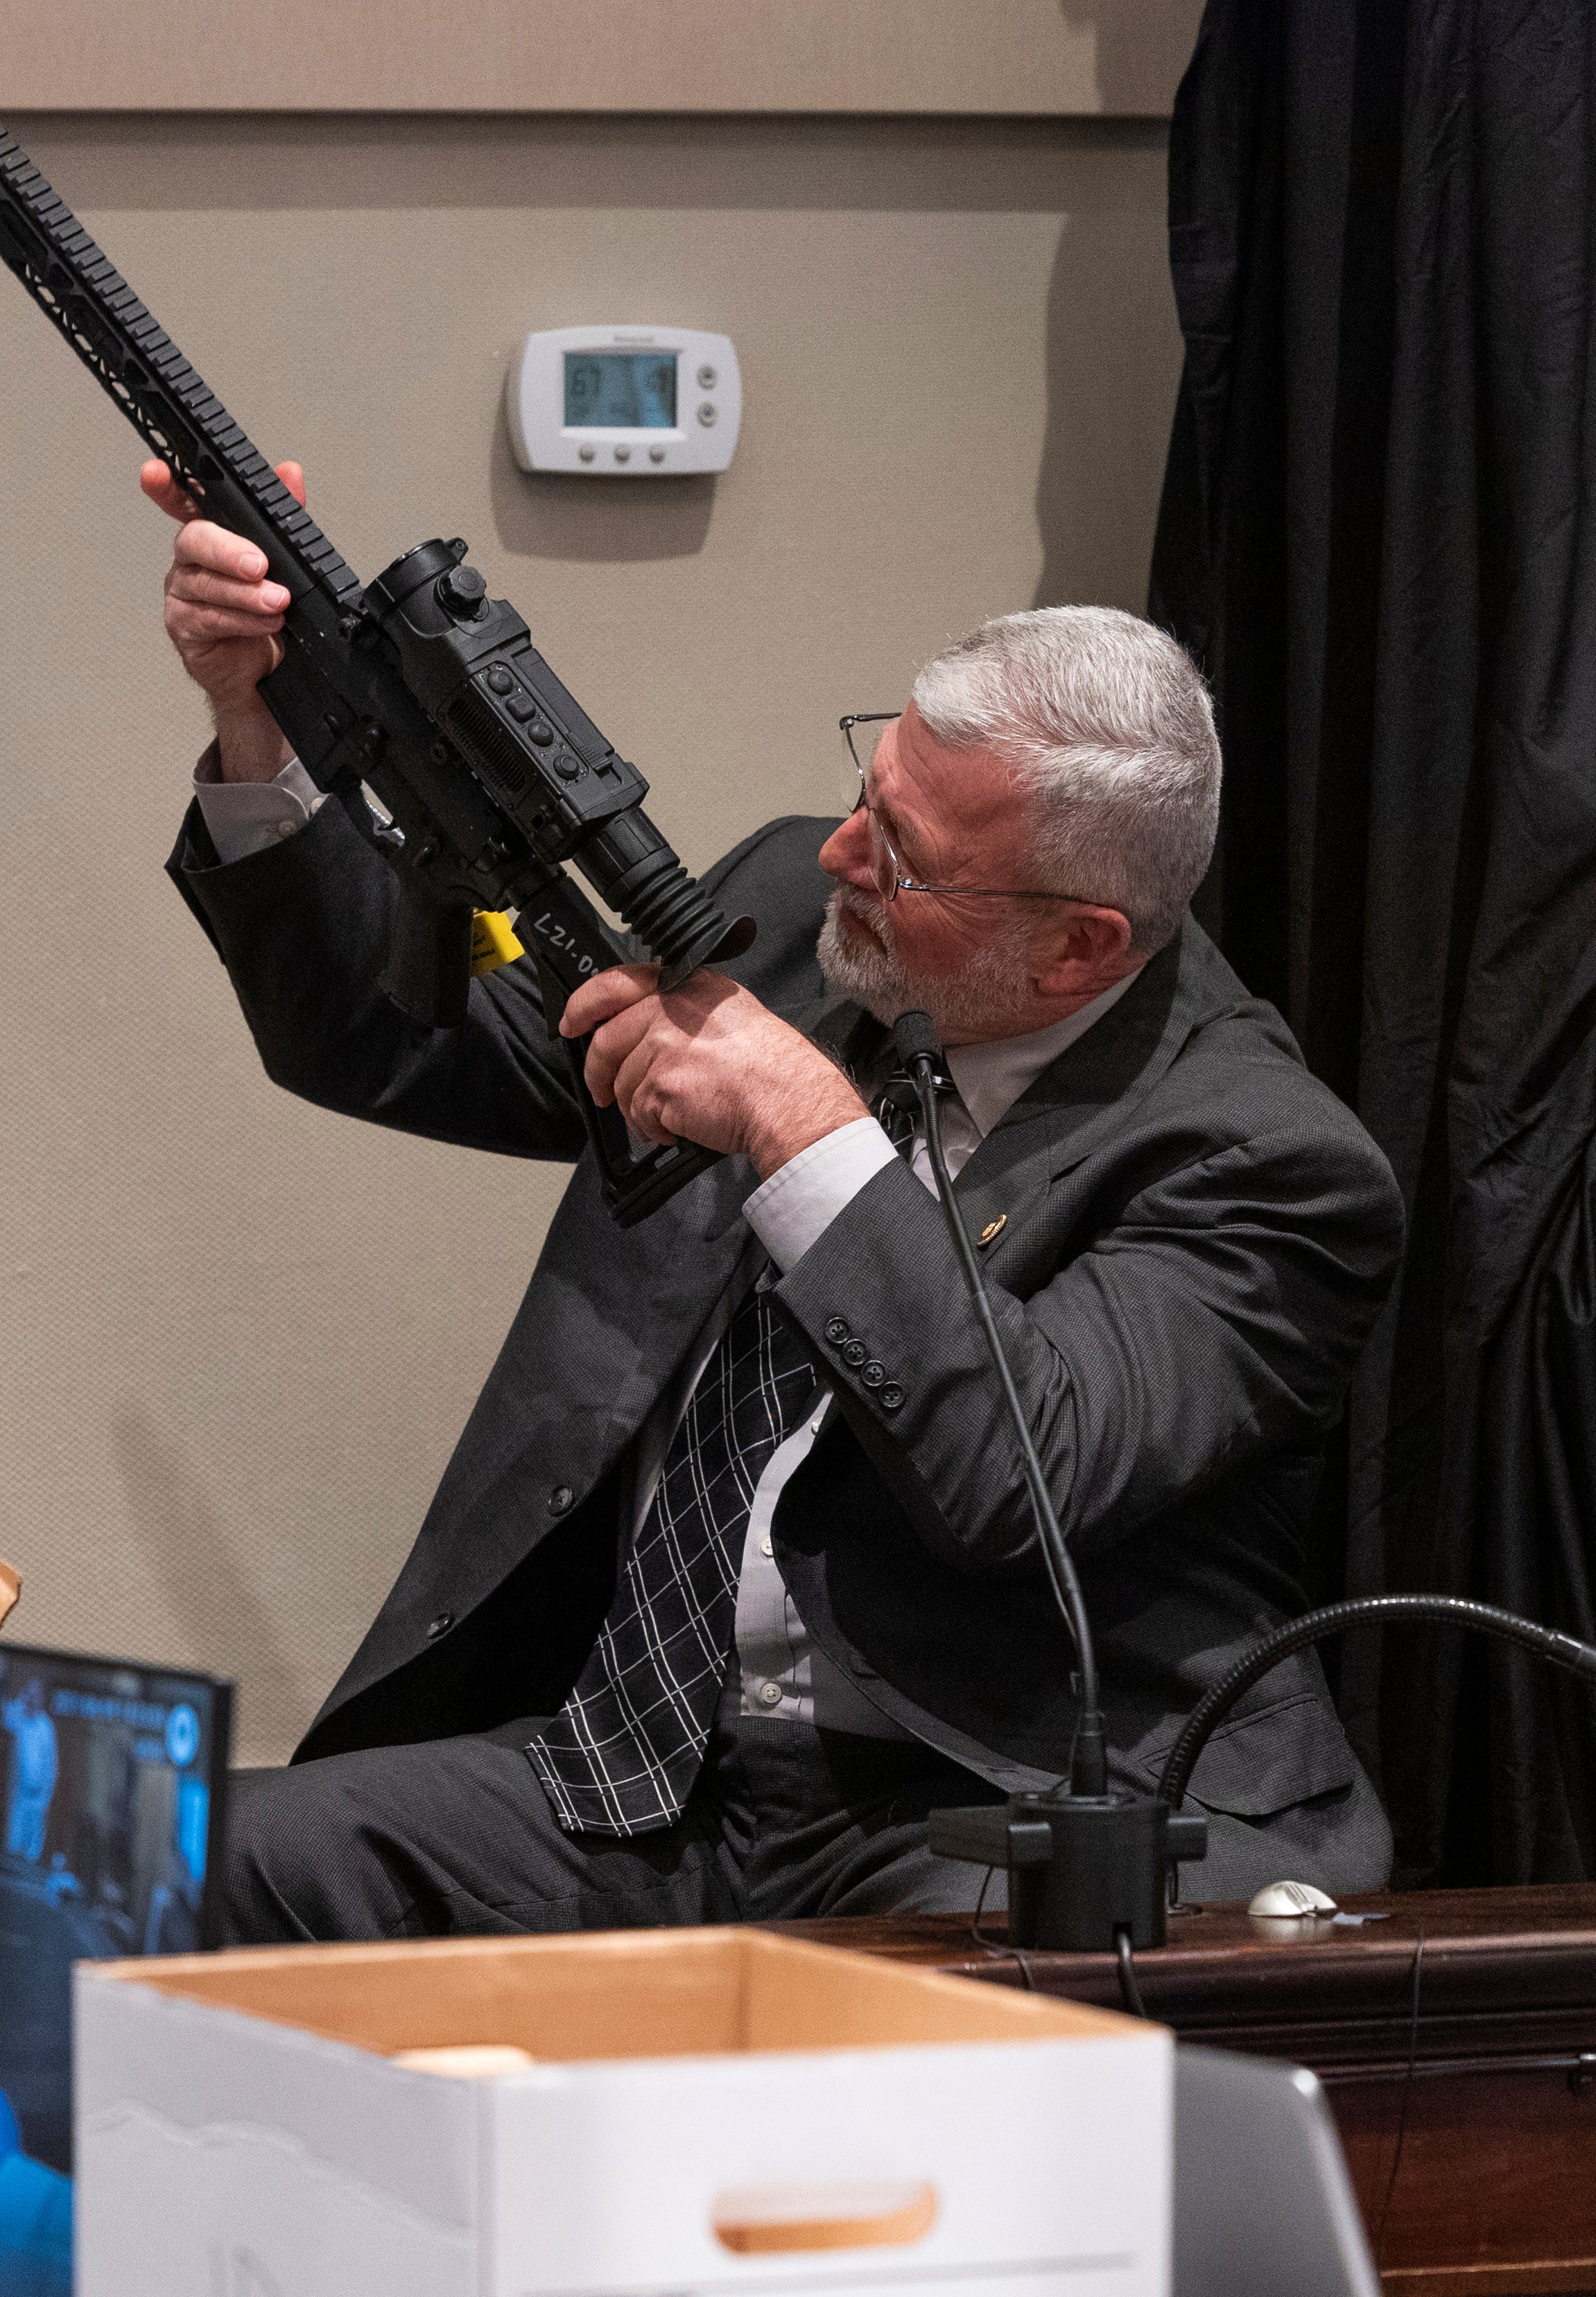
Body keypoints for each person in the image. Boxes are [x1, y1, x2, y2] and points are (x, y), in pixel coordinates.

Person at [140, 460, 1403, 1941]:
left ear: (1076, 947)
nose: (834, 859)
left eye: (903, 859)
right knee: (179, 1864)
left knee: (924, 2038)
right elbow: (403, 1042)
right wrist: (264, 724)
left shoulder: (1265, 1167)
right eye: (870, 797)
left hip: (978, 1802)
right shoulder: (812, 927)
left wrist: (803, 1125)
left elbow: (1025, 1482)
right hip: (641, 1763)